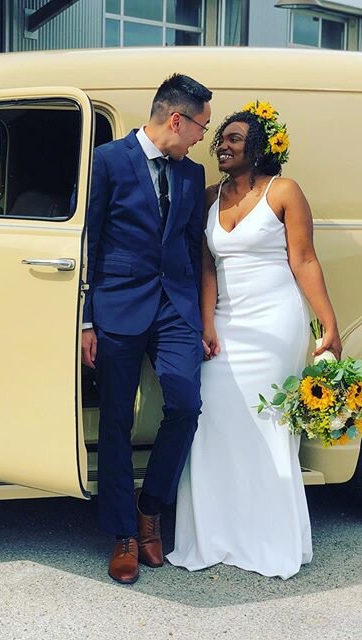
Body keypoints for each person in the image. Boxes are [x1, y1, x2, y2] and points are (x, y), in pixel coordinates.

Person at [167, 102, 342, 579]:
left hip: (274, 323)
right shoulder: (208, 197)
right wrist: (207, 324)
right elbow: (207, 268)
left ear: (259, 148)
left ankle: (270, 539)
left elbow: (304, 260)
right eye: (220, 138)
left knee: (267, 424)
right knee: (215, 427)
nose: (222, 145)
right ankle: (217, 537)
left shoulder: (284, 192)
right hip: (226, 322)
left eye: (235, 139)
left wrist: (328, 324)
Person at [82, 74, 212, 584]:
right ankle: (124, 535)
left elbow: (189, 247)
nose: (204, 136)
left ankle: (150, 508)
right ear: (176, 119)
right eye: (201, 124)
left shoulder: (190, 173)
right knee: (116, 418)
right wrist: (87, 319)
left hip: (174, 309)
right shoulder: (108, 161)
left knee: (185, 404)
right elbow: (89, 237)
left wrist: (202, 316)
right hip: (116, 308)